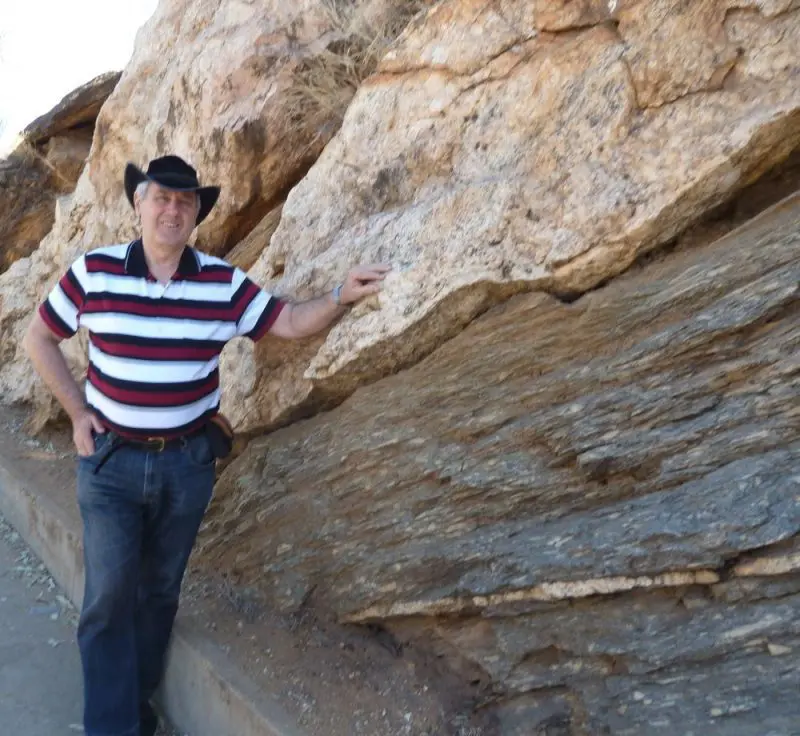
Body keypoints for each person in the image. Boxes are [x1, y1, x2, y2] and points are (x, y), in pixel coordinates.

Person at [23, 154, 389, 736]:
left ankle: (135, 707)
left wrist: (340, 296)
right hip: (111, 463)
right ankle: (112, 727)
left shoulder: (222, 282)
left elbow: (287, 322)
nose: (172, 208)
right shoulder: (94, 272)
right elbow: (39, 335)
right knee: (108, 598)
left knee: (160, 592)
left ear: (195, 213)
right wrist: (76, 413)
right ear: (138, 203)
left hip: (186, 465)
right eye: (161, 197)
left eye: (184, 200)